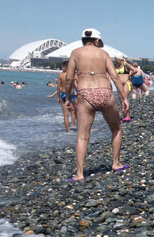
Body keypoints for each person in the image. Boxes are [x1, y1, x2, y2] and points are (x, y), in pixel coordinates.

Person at [65, 27, 128, 181]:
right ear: (97, 40)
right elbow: (114, 77)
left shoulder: (76, 53)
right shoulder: (104, 54)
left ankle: (80, 174)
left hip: (85, 94)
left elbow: (68, 78)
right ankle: (116, 163)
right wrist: (123, 98)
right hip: (105, 92)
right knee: (116, 128)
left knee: (82, 136)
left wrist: (68, 98)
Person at [48, 61, 77, 133]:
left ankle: (68, 131)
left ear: (65, 67)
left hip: (63, 94)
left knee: (65, 115)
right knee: (75, 112)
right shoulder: (73, 75)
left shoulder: (60, 75)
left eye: (62, 67)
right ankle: (77, 127)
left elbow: (58, 88)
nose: (61, 68)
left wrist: (59, 97)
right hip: (71, 94)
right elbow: (76, 85)